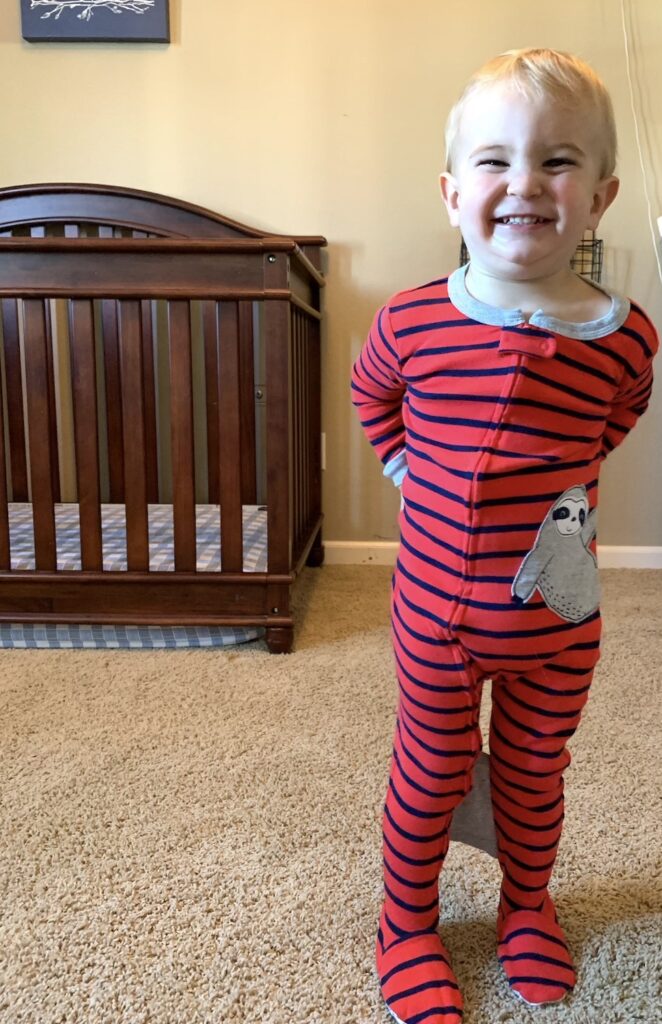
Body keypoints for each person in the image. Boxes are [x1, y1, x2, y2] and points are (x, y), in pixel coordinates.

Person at [351, 48, 658, 1024]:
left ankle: (525, 903)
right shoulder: (409, 321)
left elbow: (614, 419)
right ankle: (404, 925)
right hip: (435, 615)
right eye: (492, 162)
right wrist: (410, 477)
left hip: (560, 619)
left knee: (534, 769)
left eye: (556, 161)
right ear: (451, 193)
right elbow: (371, 399)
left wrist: (554, 504)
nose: (522, 183)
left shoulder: (624, 336)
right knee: (430, 766)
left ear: (599, 195)